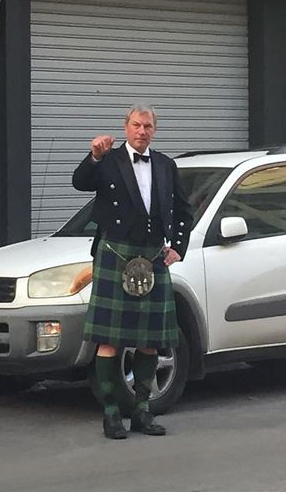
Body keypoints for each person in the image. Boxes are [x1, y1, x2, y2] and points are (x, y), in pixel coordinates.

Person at [72, 103, 193, 439]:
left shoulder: (167, 166)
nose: (142, 132)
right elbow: (79, 182)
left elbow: (184, 210)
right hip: (115, 253)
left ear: (155, 130)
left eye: (148, 127)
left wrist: (178, 247)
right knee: (109, 340)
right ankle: (111, 413)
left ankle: (142, 410)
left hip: (153, 257)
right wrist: (94, 156)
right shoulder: (108, 161)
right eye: (137, 125)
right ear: (126, 127)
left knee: (151, 341)